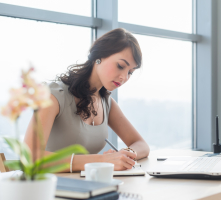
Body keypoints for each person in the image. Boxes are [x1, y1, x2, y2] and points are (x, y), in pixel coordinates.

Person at [24, 28, 150, 172]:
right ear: (99, 56)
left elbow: (141, 144)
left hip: (88, 187)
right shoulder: (53, 96)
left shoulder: (106, 102)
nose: (124, 77)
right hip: (48, 189)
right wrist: (103, 161)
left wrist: (125, 155)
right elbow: (30, 157)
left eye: (130, 72)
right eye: (120, 66)